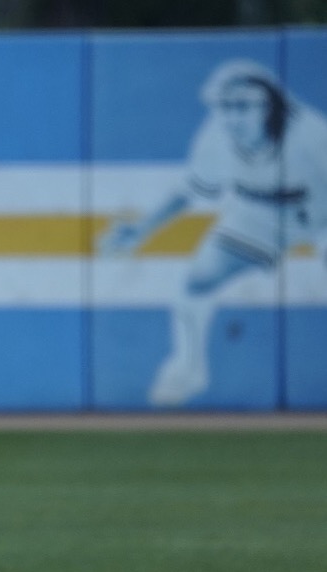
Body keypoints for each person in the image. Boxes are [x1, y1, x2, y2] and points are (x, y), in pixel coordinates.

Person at [97, 58, 327, 407]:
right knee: (199, 278)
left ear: (269, 105)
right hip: (259, 210)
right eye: (227, 105)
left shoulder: (311, 134)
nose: (234, 115)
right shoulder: (216, 135)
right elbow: (189, 192)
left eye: (245, 105)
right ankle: (188, 369)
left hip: (321, 210)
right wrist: (143, 229)